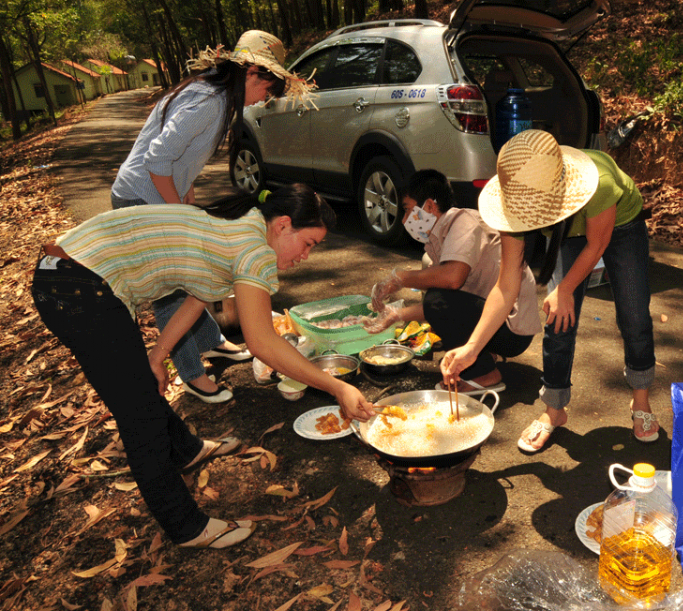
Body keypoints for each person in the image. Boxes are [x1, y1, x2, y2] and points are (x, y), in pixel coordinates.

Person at [32, 184, 376, 549]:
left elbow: (197, 298)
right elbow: (260, 342)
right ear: (283, 225)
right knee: (140, 420)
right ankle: (187, 528)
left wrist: (157, 354)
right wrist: (337, 386)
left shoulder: (244, 223)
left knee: (140, 394)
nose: (306, 256)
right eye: (309, 243)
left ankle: (186, 450)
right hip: (79, 285)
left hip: (74, 275)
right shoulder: (254, 249)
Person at [111, 30, 315, 403]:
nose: (264, 99)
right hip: (140, 199)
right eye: (267, 89)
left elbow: (178, 158)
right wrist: (177, 212)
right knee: (171, 289)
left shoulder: (213, 94)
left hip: (157, 194)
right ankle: (191, 373)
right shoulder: (211, 101)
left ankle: (210, 340)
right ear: (253, 72)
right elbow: (157, 159)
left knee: (196, 272)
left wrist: (186, 194)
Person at [441, 130, 658, 452]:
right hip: (569, 233)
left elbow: (597, 244)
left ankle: (641, 400)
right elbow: (506, 283)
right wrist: (472, 347)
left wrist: (566, 288)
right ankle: (554, 410)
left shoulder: (599, 181)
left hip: (622, 226)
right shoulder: (512, 200)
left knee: (634, 312)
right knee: (558, 320)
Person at [368, 170, 541, 395]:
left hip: (511, 332)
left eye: (408, 209)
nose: (404, 219)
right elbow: (452, 303)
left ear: (429, 206)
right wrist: (395, 315)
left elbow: (452, 280)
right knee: (434, 289)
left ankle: (484, 373)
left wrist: (400, 278)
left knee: (436, 296)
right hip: (496, 322)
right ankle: (482, 355)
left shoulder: (463, 221)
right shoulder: (440, 239)